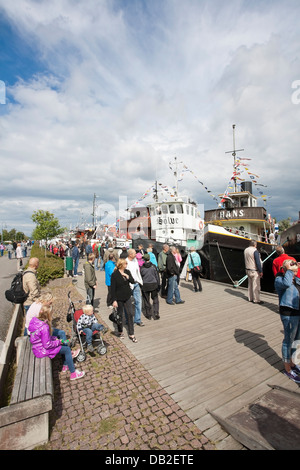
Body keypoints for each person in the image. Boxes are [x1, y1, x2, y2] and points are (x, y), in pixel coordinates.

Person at [28, 305, 85, 381]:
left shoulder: (35, 320)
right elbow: (47, 345)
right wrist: (58, 342)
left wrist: (55, 339)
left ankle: (66, 365)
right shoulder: (45, 327)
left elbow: (44, 338)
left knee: (65, 348)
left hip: (37, 348)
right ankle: (73, 373)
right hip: (42, 350)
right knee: (67, 349)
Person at [274, 259, 300, 384]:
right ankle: (287, 368)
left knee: (297, 339)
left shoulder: (296, 279)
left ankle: (292, 362)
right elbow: (286, 284)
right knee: (288, 340)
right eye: (291, 269)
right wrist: (289, 270)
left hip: (298, 312)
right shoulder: (280, 279)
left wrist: (295, 269)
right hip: (288, 313)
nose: (294, 272)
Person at [110, 258, 138, 342]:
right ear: (121, 265)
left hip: (127, 296)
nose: (127, 265)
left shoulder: (127, 271)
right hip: (119, 298)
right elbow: (112, 289)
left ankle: (131, 333)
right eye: (125, 263)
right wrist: (114, 300)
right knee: (120, 315)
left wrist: (127, 276)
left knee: (130, 314)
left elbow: (133, 281)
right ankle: (120, 331)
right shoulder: (114, 275)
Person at [126, 249, 144, 326]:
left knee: (138, 302)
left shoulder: (135, 260)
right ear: (130, 254)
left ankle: (138, 319)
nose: (136, 255)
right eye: (134, 253)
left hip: (136, 283)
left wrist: (140, 280)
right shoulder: (126, 262)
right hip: (129, 285)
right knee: (127, 303)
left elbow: (137, 271)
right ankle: (128, 320)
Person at [140, 254, 160, 320]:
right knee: (155, 299)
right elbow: (157, 276)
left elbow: (141, 277)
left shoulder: (142, 268)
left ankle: (148, 314)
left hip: (145, 285)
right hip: (153, 284)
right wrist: (158, 284)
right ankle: (156, 312)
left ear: (144, 259)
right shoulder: (153, 266)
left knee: (146, 300)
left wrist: (141, 285)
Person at [244, 240, 263, 304]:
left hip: (247, 269)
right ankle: (256, 299)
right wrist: (260, 271)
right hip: (254, 270)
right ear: (255, 245)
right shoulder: (255, 251)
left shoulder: (246, 250)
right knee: (256, 285)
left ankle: (250, 298)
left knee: (250, 285)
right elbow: (258, 262)